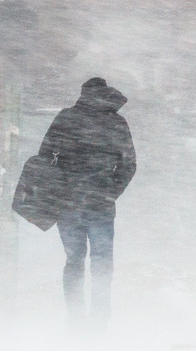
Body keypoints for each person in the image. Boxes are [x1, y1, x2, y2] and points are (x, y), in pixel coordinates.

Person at [38, 77, 137, 331]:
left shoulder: (67, 118)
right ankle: (99, 320)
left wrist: (59, 185)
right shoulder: (116, 122)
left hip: (69, 203)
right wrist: (110, 190)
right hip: (100, 205)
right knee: (102, 262)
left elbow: (44, 157)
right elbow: (128, 164)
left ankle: (76, 319)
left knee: (74, 259)